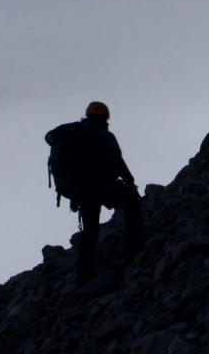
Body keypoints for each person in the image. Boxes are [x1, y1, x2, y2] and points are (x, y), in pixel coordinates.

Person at [55, 101, 144, 284]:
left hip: (82, 191)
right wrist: (131, 183)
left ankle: (84, 276)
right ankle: (135, 248)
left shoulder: (74, 136)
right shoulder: (104, 135)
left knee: (90, 232)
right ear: (105, 116)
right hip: (104, 186)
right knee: (131, 204)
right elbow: (118, 162)